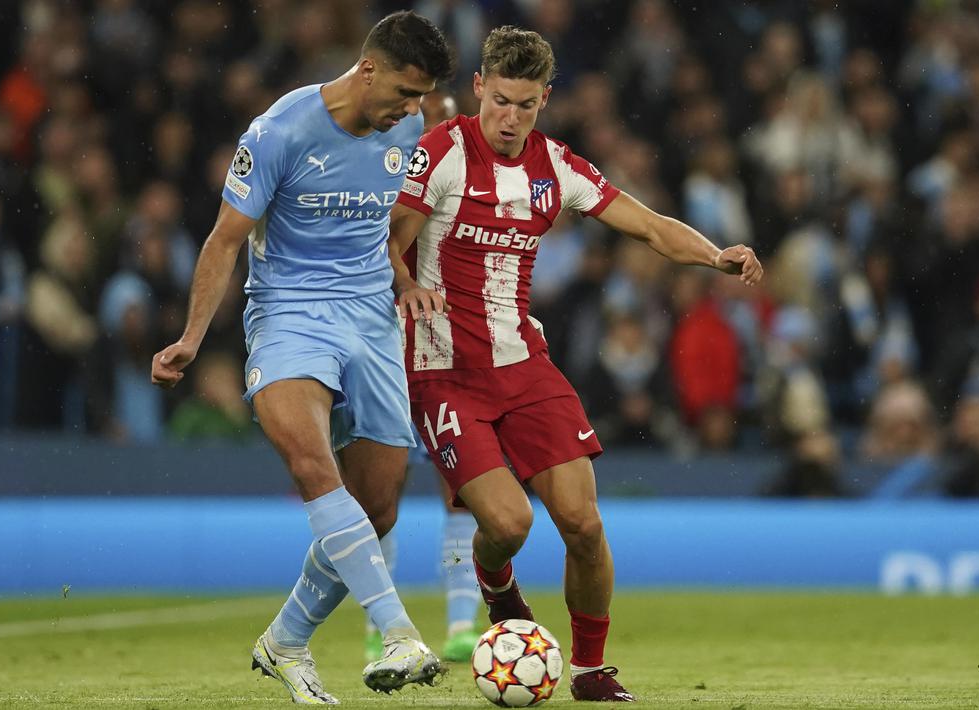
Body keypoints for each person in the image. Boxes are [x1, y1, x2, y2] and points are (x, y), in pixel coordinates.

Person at [387, 26, 763, 702]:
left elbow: (647, 225)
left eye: (525, 105)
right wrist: (406, 285)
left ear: (544, 100)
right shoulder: (439, 153)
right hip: (443, 372)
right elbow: (388, 241)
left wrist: (714, 255)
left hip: (525, 366)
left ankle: (590, 670)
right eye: (500, 101)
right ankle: (496, 586)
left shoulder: (555, 165)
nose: (509, 119)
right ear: (477, 88)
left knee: (584, 525)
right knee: (507, 525)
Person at [150, 11, 454, 704]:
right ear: (366, 68)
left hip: (372, 321)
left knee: (377, 509)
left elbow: (402, 217)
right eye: (405, 93)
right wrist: (193, 337)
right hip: (290, 318)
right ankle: (399, 631)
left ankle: (284, 640)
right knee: (315, 466)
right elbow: (225, 239)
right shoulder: (278, 131)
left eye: (421, 98)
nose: (412, 110)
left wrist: (404, 276)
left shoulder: (411, 124)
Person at [361, 87, 484, 666]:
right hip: (386, 337)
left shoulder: (462, 165)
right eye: (425, 114)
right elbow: (373, 243)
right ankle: (379, 619)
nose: (435, 127)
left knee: (459, 489)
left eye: (443, 116)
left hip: (444, 338)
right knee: (381, 491)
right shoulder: (382, 163)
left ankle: (462, 620)